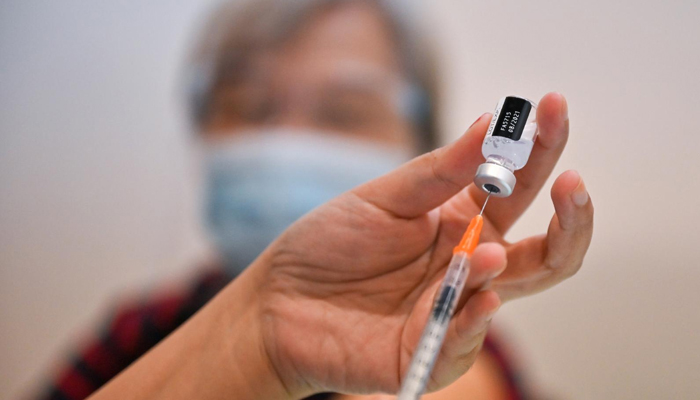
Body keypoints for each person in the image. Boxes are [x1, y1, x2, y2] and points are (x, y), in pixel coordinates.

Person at [33, 0, 593, 399]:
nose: (284, 141)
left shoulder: (457, 355)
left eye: (344, 113)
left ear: (427, 145)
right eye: (249, 105)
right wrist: (254, 342)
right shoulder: (140, 332)